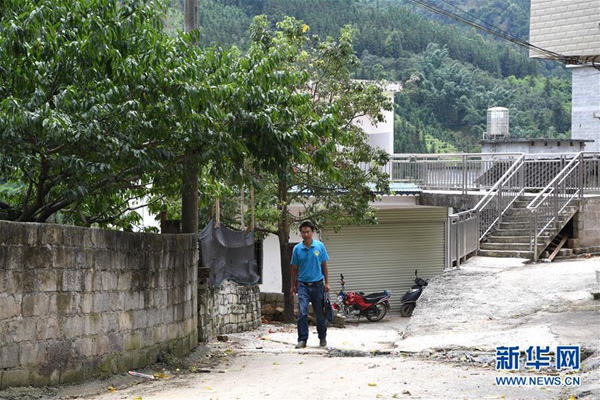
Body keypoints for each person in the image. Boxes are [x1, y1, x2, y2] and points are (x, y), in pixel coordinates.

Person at [290, 220, 330, 349]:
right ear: (300, 234)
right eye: (303, 232)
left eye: (308, 232)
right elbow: (294, 268)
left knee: (319, 314)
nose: (306, 234)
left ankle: (322, 337)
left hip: (318, 285)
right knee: (302, 313)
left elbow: (324, 265)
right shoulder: (297, 249)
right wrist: (292, 285)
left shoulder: (320, 246)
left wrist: (327, 283)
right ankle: (302, 340)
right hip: (303, 286)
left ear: (312, 232)